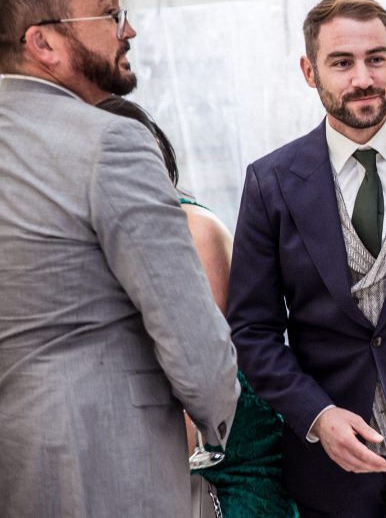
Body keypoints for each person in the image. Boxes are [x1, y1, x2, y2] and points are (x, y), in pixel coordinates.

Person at [0, 0, 238, 515]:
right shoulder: (111, 142)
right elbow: (192, 342)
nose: (127, 29)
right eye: (109, 13)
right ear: (45, 44)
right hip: (105, 462)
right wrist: (216, 422)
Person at [227, 0, 386, 517]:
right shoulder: (270, 182)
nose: (363, 77)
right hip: (331, 462)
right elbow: (252, 329)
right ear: (309, 70)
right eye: (342, 63)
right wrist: (316, 416)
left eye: (376, 58)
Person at [96, 96, 298, 518]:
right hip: (158, 437)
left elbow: (206, 362)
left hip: (232, 451)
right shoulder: (104, 240)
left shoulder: (196, 231)